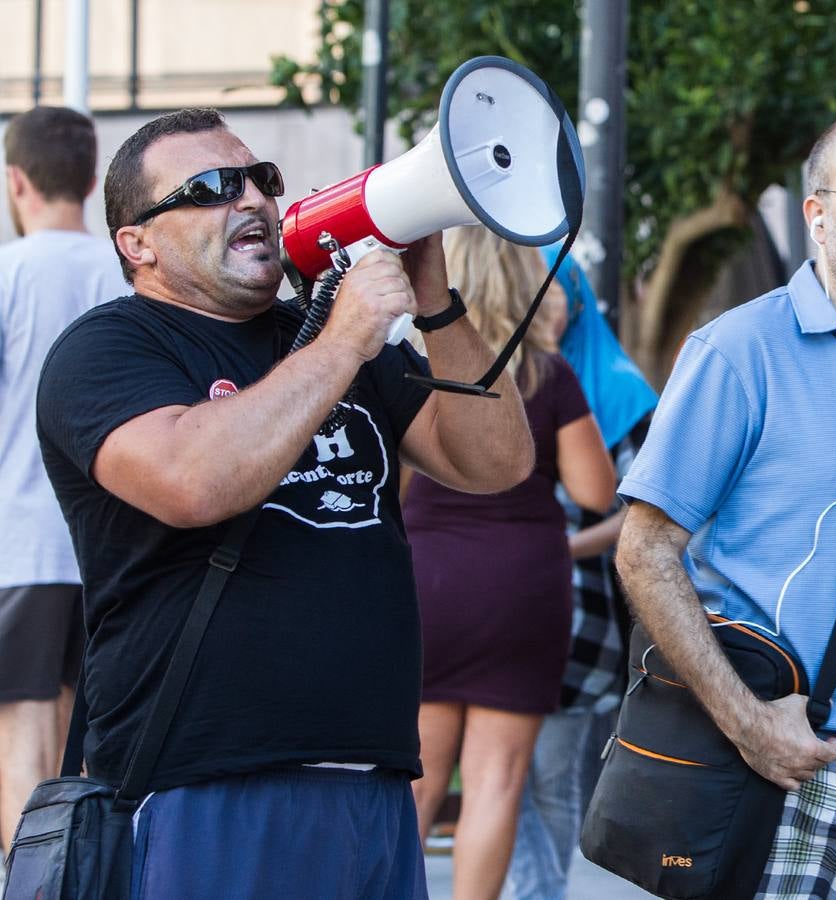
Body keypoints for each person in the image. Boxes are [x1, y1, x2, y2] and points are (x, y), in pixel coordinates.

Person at [33, 108, 533, 898]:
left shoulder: (326, 333)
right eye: (209, 188)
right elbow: (191, 479)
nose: (252, 200)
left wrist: (433, 295)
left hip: (372, 778)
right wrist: (344, 340)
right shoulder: (108, 349)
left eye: (261, 180)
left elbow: (496, 461)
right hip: (209, 781)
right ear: (138, 242)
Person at [613, 110, 836, 898]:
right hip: (775, 768)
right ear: (816, 214)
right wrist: (747, 723)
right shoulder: (738, 351)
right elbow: (643, 550)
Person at [404, 226, 615, 900]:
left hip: (428, 581)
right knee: (495, 780)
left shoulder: (415, 369)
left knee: (417, 778)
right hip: (522, 585)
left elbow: (395, 488)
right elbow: (596, 492)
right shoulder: (548, 376)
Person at [503, 255, 655, 900]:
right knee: (500, 768)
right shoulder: (494, 373)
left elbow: (648, 515)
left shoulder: (619, 391)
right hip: (501, 603)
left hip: (582, 610)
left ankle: (536, 893)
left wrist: (560, 549)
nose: (554, 307)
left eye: (565, 293)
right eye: (542, 295)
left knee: (548, 771)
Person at [0, 106, 128, 856]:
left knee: (23, 734)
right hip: (119, 542)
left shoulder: (8, 272)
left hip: (21, 544)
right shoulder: (128, 270)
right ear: (90, 178)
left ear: (16, 180)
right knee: (103, 744)